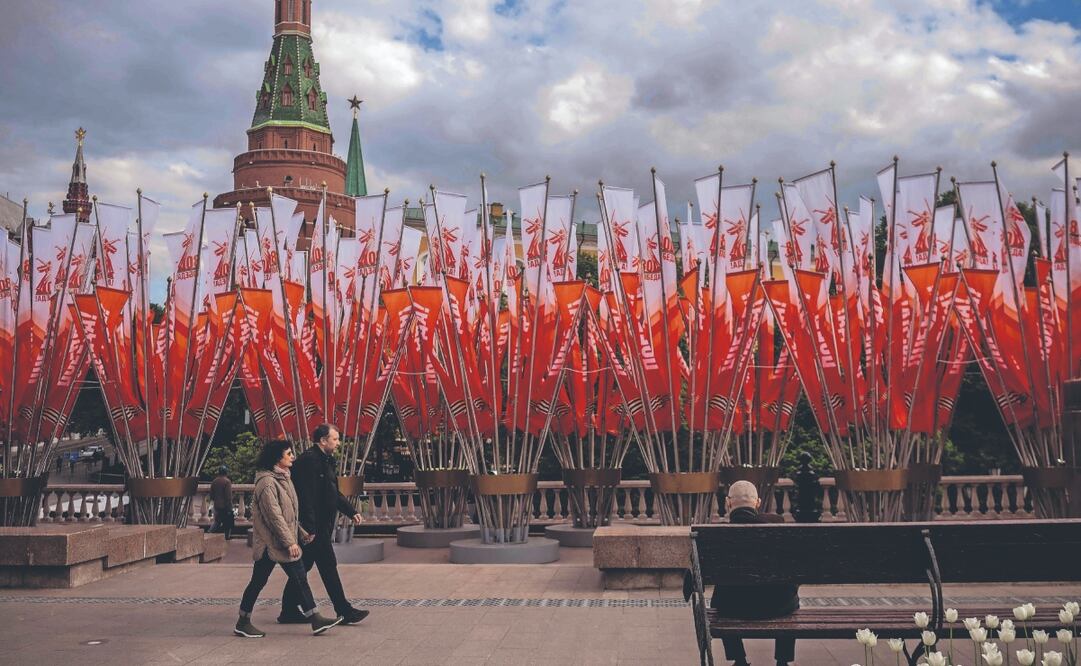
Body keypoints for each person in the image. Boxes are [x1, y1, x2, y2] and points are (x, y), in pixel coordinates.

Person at [234, 439, 342, 638]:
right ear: (277, 458)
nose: (292, 456)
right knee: (259, 582)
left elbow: (290, 514)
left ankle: (315, 618)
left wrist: (300, 534)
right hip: (270, 544)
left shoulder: (284, 479)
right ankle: (243, 621)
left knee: (299, 578)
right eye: (288, 453)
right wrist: (290, 542)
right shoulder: (267, 483)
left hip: (280, 542)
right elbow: (274, 517)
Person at [279, 424, 368, 625]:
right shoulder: (309, 461)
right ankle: (344, 611)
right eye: (335, 439)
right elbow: (306, 497)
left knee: (304, 567)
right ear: (323, 440)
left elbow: (332, 492)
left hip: (321, 525)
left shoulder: (325, 460)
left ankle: (288, 610)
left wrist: (351, 511)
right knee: (328, 566)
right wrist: (310, 529)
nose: (338, 443)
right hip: (315, 527)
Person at [710, 480, 799, 666]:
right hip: (778, 607)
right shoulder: (777, 524)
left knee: (719, 597)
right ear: (757, 503)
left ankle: (739, 660)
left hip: (732, 609)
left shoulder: (715, 535)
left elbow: (693, 580)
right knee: (791, 593)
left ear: (728, 503)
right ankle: (782, 661)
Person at [210, 466, 235, 539]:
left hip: (217, 505)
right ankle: (226, 537)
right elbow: (228, 497)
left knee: (217, 521)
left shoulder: (214, 481)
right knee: (227, 523)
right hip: (225, 506)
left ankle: (209, 533)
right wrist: (230, 508)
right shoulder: (227, 482)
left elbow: (212, 496)